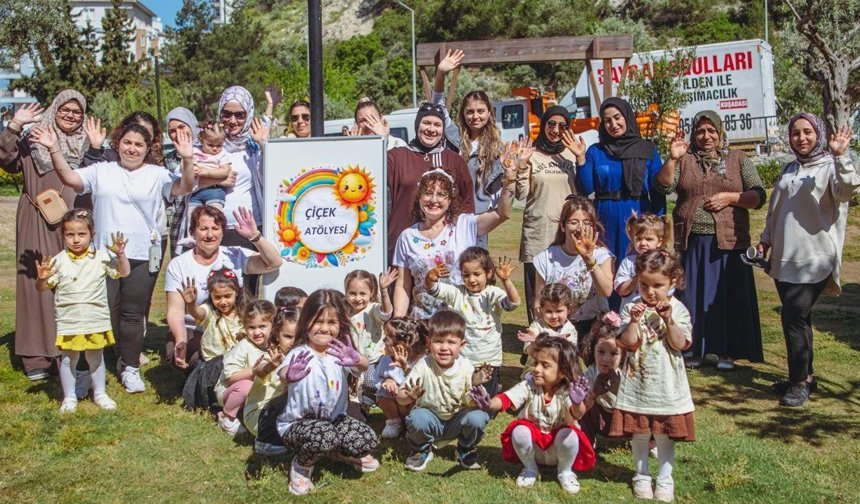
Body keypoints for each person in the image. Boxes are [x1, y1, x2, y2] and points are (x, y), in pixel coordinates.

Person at [30, 115, 196, 394]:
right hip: (102, 256)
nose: (132, 149)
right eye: (127, 143)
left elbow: (185, 187)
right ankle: (81, 370)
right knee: (94, 310)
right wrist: (53, 148)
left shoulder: (157, 174)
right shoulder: (101, 170)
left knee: (132, 314)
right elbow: (70, 178)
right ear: (117, 144)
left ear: (148, 148)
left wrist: (188, 159)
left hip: (143, 253)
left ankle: (129, 366)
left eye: (139, 145)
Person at [758, 115, 859, 407]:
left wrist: (842, 156)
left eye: (807, 132)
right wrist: (765, 239)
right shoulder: (789, 168)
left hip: (814, 259)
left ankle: (799, 382)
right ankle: (805, 377)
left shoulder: (830, 166)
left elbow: (848, 191)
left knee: (794, 317)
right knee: (799, 319)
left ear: (819, 134)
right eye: (795, 133)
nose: (801, 138)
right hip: (783, 258)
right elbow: (775, 210)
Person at [655, 111, 766, 369]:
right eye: (701, 131)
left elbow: (758, 195)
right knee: (692, 296)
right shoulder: (686, 159)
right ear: (695, 133)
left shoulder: (738, 159)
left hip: (729, 240)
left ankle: (727, 352)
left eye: (712, 131)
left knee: (725, 296)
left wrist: (730, 198)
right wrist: (672, 158)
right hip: (692, 239)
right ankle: (694, 351)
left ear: (720, 132)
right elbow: (663, 187)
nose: (707, 137)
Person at [0, 91, 90, 381]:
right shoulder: (34, 137)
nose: (71, 115)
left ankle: (70, 352)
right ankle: (36, 355)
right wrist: (15, 125)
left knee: (73, 283)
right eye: (65, 109)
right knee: (36, 281)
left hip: (76, 220)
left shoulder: (88, 142)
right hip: (38, 216)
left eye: (77, 111)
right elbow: (5, 159)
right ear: (55, 108)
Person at [275, 289, 379, 496]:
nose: (324, 328)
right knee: (324, 436)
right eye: (318, 321)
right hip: (297, 425)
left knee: (367, 438)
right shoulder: (300, 352)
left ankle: (337, 453)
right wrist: (290, 375)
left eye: (331, 322)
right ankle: (301, 466)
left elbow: (363, 366)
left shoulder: (339, 351)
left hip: (334, 420)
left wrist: (357, 359)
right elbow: (283, 373)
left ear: (341, 324)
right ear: (306, 322)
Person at [610, 250, 695, 502]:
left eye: (658, 285)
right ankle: (641, 475)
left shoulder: (678, 310)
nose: (650, 292)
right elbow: (628, 342)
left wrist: (669, 320)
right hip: (638, 382)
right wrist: (634, 322)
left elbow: (680, 344)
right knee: (640, 432)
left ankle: (666, 479)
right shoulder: (631, 308)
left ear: (674, 281)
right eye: (645, 285)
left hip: (667, 384)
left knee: (664, 434)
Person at [469, 335, 595, 494]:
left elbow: (578, 414)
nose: (536, 369)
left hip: (559, 449)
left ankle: (565, 471)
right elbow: (507, 398)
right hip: (534, 450)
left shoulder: (568, 391)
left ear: (563, 372)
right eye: (536, 363)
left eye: (545, 365)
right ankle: (530, 468)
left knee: (569, 435)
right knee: (519, 431)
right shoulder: (529, 385)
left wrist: (577, 402)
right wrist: (489, 404)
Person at [391, 163, 516, 319]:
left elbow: (502, 214)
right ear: (419, 197)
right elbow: (403, 285)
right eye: (428, 193)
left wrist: (510, 179)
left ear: (450, 200)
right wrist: (398, 322)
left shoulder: (465, 225)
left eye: (441, 194)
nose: (434, 200)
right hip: (423, 324)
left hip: (463, 322)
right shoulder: (407, 237)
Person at [165, 205, 283, 370]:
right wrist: (180, 339)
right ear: (193, 231)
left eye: (215, 228)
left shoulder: (234, 254)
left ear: (222, 232)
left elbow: (274, 263)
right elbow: (175, 311)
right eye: (203, 228)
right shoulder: (179, 264)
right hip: (197, 329)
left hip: (235, 328)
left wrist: (255, 236)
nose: (209, 235)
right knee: (190, 358)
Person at [35, 209, 130, 412]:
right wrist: (42, 278)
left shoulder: (101, 258)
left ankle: (100, 393)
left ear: (91, 235)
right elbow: (42, 288)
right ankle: (69, 397)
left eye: (81, 234)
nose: (76, 240)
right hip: (69, 319)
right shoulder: (58, 261)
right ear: (63, 236)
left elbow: (123, 272)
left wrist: (120, 255)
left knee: (96, 357)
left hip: (95, 318)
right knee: (69, 358)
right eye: (70, 235)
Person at [573, 97, 666, 266]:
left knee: (638, 266)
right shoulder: (596, 151)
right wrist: (580, 159)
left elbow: (657, 192)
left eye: (617, 117)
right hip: (605, 218)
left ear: (627, 117)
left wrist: (659, 226)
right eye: (607, 120)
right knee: (606, 266)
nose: (613, 124)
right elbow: (585, 189)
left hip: (638, 217)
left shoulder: (647, 149)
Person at [397, 310, 491, 471]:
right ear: (428, 342)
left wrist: (475, 385)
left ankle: (465, 448)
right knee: (416, 417)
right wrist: (409, 396)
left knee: (478, 417)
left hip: (456, 420)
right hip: (430, 418)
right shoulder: (423, 365)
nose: (444, 348)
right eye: (438, 341)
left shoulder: (467, 367)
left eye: (451, 342)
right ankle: (421, 449)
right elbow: (400, 397)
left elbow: (472, 402)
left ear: (462, 345)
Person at [432, 49, 505, 248]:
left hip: (477, 220)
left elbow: (499, 187)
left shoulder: (496, 147)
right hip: (449, 216)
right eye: (470, 112)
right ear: (463, 114)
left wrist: (491, 210)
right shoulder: (453, 136)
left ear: (489, 113)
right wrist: (440, 74)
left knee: (475, 272)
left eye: (480, 111)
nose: (475, 116)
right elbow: (438, 106)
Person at [386, 102, 476, 262]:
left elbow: (467, 204)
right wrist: (374, 140)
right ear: (417, 125)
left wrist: (461, 240)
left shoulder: (454, 160)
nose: (431, 129)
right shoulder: (396, 157)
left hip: (442, 248)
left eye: (437, 125)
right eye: (426, 123)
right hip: (402, 245)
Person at [423, 247, 520, 395]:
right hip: (462, 360)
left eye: (477, 274)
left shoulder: (493, 293)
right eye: (466, 275)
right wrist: (430, 278)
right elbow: (432, 289)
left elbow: (513, 304)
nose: (471, 279)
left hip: (489, 360)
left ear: (488, 273)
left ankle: (493, 390)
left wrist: (506, 281)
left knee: (485, 404)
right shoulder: (456, 293)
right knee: (461, 398)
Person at [516, 106, 578, 322]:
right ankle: (536, 336)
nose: (555, 130)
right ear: (543, 126)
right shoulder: (532, 154)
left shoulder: (573, 153)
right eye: (551, 124)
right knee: (537, 289)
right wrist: (521, 165)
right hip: (538, 231)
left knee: (566, 285)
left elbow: (584, 189)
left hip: (567, 231)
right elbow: (520, 193)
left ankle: (565, 335)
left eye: (562, 125)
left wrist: (580, 158)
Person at [533, 195, 614, 338]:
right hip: (557, 326)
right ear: (563, 226)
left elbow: (606, 291)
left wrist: (589, 260)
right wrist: (546, 332)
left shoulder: (602, 256)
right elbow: (538, 302)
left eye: (587, 222)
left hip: (592, 326)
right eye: (574, 222)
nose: (580, 228)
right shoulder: (545, 258)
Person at [217, 86, 271, 260]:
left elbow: (268, 180)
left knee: (248, 285)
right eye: (226, 114)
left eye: (240, 115)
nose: (232, 120)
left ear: (248, 115)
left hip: (250, 227)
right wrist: (214, 180)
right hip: (215, 228)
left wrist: (263, 145)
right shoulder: (210, 144)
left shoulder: (253, 146)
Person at [214, 300, 275, 437]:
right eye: (251, 327)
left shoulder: (273, 345)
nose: (257, 332)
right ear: (245, 327)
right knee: (246, 386)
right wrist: (254, 371)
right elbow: (230, 378)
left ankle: (246, 413)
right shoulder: (243, 347)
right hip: (230, 391)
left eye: (262, 326)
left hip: (257, 390)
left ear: (272, 326)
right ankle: (226, 416)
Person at [247, 305, 299, 456]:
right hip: (261, 417)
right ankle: (266, 442)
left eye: (299, 337)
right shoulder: (272, 356)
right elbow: (261, 369)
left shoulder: (304, 358)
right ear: (277, 335)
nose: (293, 342)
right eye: (288, 336)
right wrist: (271, 366)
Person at [344, 268, 397, 408]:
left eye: (362, 293)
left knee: (369, 381)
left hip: (374, 361)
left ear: (371, 293)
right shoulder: (345, 311)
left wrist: (384, 291)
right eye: (352, 293)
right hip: (353, 360)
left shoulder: (372, 309)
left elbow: (386, 313)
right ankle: (361, 406)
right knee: (352, 389)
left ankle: (374, 398)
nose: (357, 298)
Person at [176, 267, 246, 362]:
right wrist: (191, 304)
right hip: (214, 362)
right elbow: (197, 313)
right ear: (210, 295)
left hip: (241, 361)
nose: (223, 301)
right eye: (217, 297)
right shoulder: (209, 310)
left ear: (237, 292)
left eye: (227, 296)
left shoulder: (244, 312)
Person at [375, 317, 429, 439]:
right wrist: (385, 380)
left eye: (387, 337)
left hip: (411, 403)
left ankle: (411, 424)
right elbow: (376, 379)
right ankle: (394, 421)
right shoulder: (385, 360)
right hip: (395, 402)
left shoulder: (420, 361)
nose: (384, 340)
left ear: (401, 345)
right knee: (381, 393)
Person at [578, 312, 623, 449]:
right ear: (593, 351)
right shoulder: (591, 371)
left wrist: (617, 388)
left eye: (614, 353)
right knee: (583, 408)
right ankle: (587, 440)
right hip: (601, 418)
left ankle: (649, 442)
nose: (606, 359)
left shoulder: (626, 373)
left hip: (624, 419)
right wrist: (593, 393)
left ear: (623, 355)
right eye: (601, 352)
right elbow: (583, 401)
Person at [614, 214, 671, 310]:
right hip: (631, 313)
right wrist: (639, 275)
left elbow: (670, 290)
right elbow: (622, 290)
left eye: (649, 239)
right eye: (639, 239)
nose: (643, 243)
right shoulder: (628, 262)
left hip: (655, 313)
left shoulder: (663, 261)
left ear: (659, 242)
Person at [517, 283, 578, 370]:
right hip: (534, 374)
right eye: (549, 311)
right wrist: (557, 341)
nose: (554, 316)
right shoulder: (536, 326)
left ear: (569, 310)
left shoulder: (570, 330)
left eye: (559, 311)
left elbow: (567, 356)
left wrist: (539, 340)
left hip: (559, 375)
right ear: (541, 309)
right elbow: (530, 350)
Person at [188, 121, 231, 210]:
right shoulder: (194, 151)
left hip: (214, 190)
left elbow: (225, 171)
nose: (215, 148)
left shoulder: (222, 153)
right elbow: (185, 164)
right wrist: (191, 169)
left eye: (219, 145)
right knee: (191, 217)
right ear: (201, 140)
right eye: (210, 145)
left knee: (214, 215)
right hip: (195, 192)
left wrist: (207, 172)